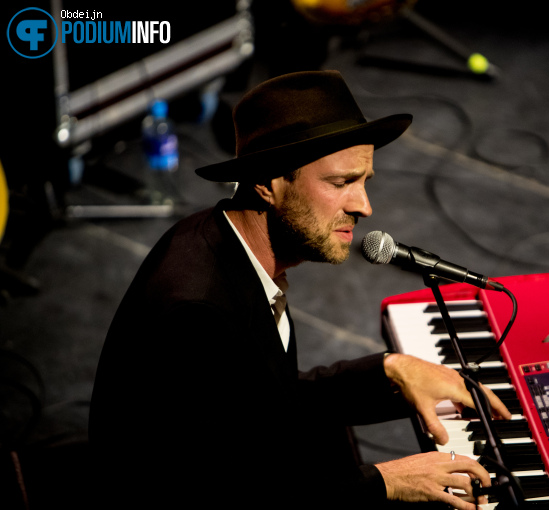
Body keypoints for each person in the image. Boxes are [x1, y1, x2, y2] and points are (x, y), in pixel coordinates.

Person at [88, 70, 511, 509]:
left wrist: (389, 372)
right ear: (268, 183)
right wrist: (383, 481)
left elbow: (265, 404)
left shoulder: (222, 239)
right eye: (341, 182)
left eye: (365, 181)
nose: (364, 206)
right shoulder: (196, 313)